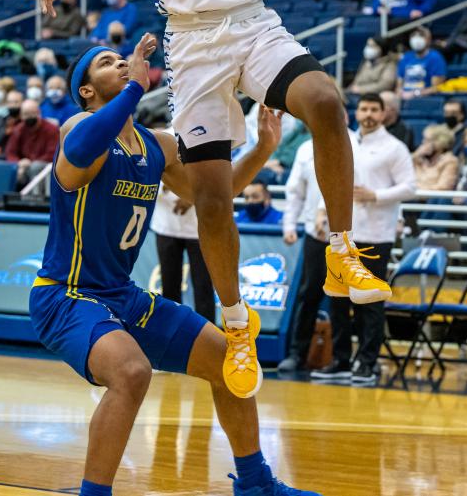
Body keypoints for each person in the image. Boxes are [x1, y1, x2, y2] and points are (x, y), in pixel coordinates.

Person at [30, 0, 447, 395]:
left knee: (327, 102)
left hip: (253, 22)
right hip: (192, 43)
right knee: (212, 200)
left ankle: (341, 250)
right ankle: (235, 324)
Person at [30, 38, 318, 496]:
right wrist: (133, 90)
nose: (121, 63)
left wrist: (262, 150)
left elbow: (211, 199)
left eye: (122, 59)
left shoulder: (156, 144)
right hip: (65, 294)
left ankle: (256, 483)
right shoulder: (77, 128)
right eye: (107, 63)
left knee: (228, 359)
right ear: (86, 90)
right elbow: (84, 150)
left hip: (119, 294)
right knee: (130, 372)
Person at [312, 93, 416, 386]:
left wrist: (376, 195)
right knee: (337, 299)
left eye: (374, 109)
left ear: (384, 114)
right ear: (356, 112)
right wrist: (322, 211)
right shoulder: (346, 141)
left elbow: (410, 187)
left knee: (369, 303)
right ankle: (341, 359)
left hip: (375, 234)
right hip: (342, 236)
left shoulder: (395, 148)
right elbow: (332, 180)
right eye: (364, 108)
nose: (368, 114)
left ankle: (367, 362)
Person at [278, 137, 327, 374]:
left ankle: (344, 359)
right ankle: (298, 354)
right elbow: (295, 190)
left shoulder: (354, 144)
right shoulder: (306, 148)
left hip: (354, 233)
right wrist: (289, 224)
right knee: (308, 294)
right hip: (315, 233)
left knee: (346, 299)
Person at [152, 174, 216, 325]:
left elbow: (216, 176)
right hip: (165, 223)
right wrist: (167, 186)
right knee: (169, 287)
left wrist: (192, 197)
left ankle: (209, 337)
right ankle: (171, 332)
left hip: (200, 226)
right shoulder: (160, 149)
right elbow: (150, 171)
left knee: (203, 287)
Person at [5, 98, 61, 188]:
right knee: (11, 168)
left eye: (32, 113)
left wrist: (30, 162)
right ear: (21, 116)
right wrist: (19, 163)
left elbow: (53, 154)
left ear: (39, 112)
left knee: (35, 166)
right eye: (26, 114)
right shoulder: (18, 129)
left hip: (45, 165)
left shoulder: (51, 129)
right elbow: (10, 152)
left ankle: (34, 198)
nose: (29, 116)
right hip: (23, 165)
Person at [396, 27, 446, 98]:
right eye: (413, 36)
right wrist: (400, 93)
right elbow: (399, 85)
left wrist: (415, 93)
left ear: (429, 39)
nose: (416, 39)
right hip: (404, 97)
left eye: (421, 35)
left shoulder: (435, 58)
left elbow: (436, 88)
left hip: (424, 98)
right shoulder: (406, 57)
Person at [412, 124, 459, 192]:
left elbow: (443, 187)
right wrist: (415, 156)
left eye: (427, 140)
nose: (423, 142)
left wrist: (417, 189)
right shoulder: (419, 159)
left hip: (432, 200)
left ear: (440, 142)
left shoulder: (450, 161)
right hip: (414, 198)